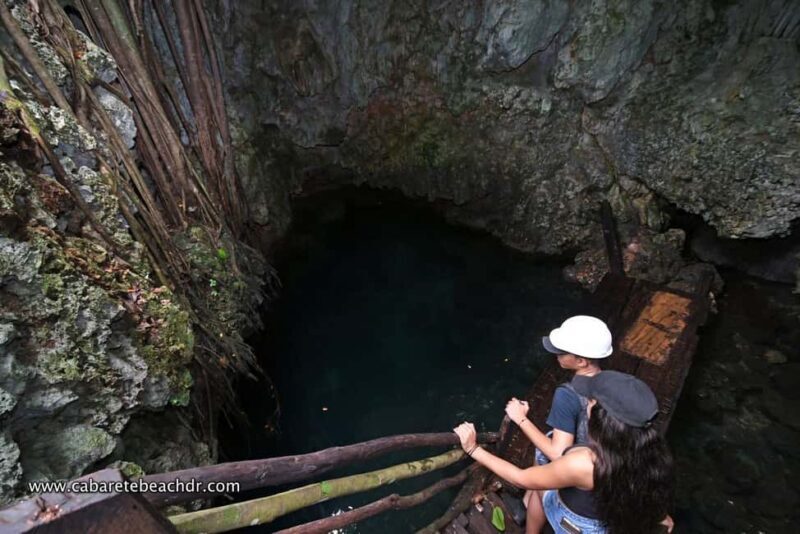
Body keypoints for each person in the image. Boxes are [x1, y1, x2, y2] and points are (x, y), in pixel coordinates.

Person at [454, 371, 674, 534]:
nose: (587, 402)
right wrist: (661, 518)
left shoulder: (584, 463)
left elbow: (521, 479)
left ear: (604, 419)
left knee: (542, 484)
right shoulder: (652, 451)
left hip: (578, 526)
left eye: (591, 401)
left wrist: (474, 449)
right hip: (609, 519)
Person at [507, 316, 612, 470]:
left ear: (581, 361)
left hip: (581, 468)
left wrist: (520, 418)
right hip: (606, 460)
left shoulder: (567, 394)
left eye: (561, 352)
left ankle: (538, 494)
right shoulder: (615, 383)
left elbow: (558, 454)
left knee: (542, 456)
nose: (557, 355)